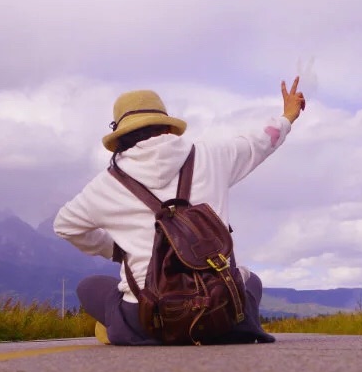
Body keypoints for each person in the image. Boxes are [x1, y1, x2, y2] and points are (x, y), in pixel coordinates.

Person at [54, 77, 306, 345]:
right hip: (220, 310)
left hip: (149, 317)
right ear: (167, 126)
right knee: (251, 280)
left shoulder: (105, 185)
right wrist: (288, 115)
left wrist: (116, 251)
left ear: (120, 135)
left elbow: (65, 225)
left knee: (89, 287)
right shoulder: (213, 155)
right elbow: (262, 140)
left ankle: (127, 328)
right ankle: (228, 327)